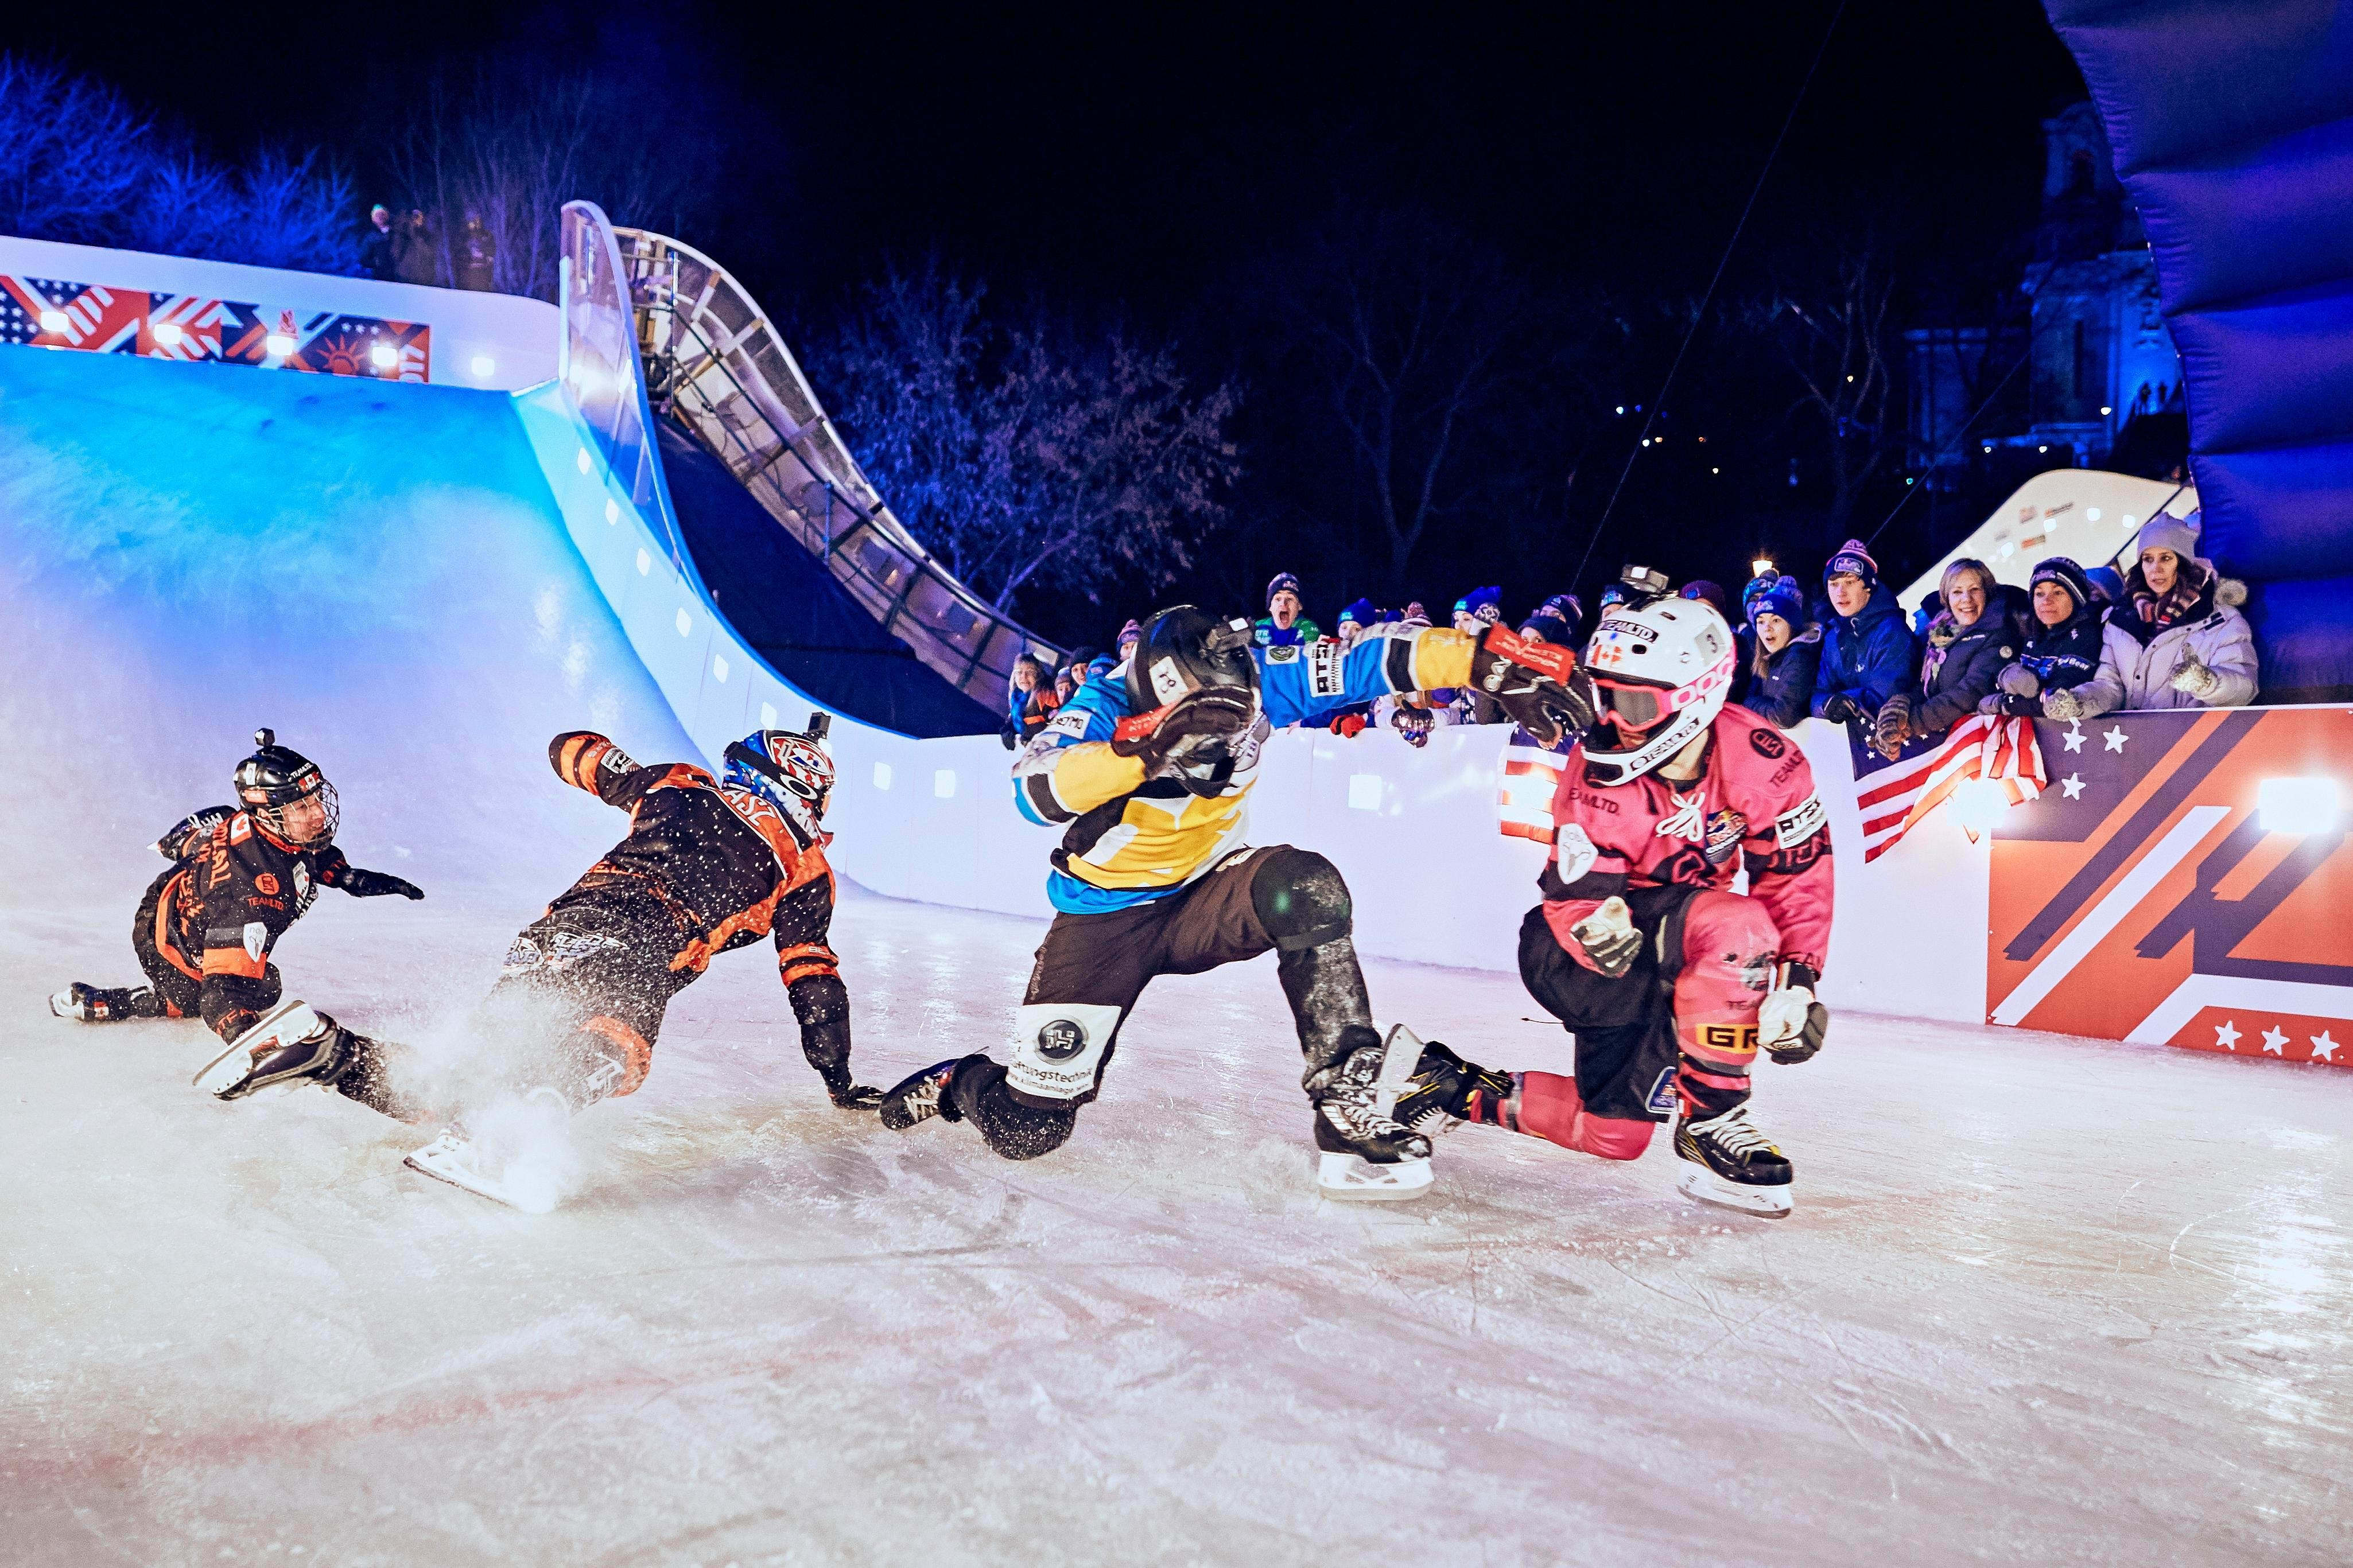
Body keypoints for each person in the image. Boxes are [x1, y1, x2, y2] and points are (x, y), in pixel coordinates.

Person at [876, 603, 1593, 1200]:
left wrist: (1487, 663)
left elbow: (1375, 657)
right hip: (1103, 919)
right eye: (1209, 722)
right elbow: (1033, 788)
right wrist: (1145, 752)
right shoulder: (1103, 705)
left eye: (1235, 714)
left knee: (1305, 885)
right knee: (1028, 1131)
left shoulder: (1256, 680)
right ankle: (960, 1082)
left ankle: (1348, 1090)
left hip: (1203, 894)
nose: (1229, 731)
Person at [1392, 577, 1832, 1217]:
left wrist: (1797, 981)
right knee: (1734, 926)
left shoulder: (1768, 762)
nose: (1612, 719)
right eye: (1605, 694)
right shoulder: (1595, 768)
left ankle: (1444, 1084)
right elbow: (1573, 896)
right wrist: (1597, 926)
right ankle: (1712, 1120)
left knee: (1613, 1136)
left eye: (1631, 703)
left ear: (1695, 698)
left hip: (1678, 951)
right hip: (1578, 951)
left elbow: (1798, 875)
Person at [397, 721, 876, 1205]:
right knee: (619, 1049)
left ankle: (397, 1086)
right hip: (648, 941)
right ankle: (514, 1127)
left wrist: (598, 759)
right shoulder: (804, 865)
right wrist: (838, 1079)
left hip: (563, 923)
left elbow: (571, 750)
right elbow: (814, 982)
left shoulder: (681, 783)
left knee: (506, 1035)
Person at [52, 730, 425, 1115]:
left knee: (262, 982)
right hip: (167, 939)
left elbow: (302, 853)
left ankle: (137, 999)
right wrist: (252, 1040)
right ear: (266, 815)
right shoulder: (252, 896)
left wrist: (349, 876)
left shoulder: (273, 831)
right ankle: (116, 1001)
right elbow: (221, 992)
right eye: (301, 807)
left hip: (183, 893)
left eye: (315, 798)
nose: (317, 813)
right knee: (236, 990)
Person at [2075, 512, 2257, 715]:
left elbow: (2245, 690)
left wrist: (2206, 682)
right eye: (2148, 559)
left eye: (2166, 558)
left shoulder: (2222, 620)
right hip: (2130, 740)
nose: (2156, 569)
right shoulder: (2118, 620)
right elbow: (2110, 686)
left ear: (2184, 563)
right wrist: (2081, 701)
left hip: (2192, 740)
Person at [1872, 558, 2015, 757]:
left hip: (1981, 748)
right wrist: (1901, 704)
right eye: (1957, 592)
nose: (1966, 599)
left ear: (1987, 593)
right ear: (1946, 598)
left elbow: (1971, 691)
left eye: (1975, 590)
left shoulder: (1998, 633)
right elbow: (1927, 685)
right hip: (1948, 743)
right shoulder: (1943, 633)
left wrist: (1913, 723)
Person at [1811, 539, 1915, 730]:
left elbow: (1886, 695)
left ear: (1868, 587)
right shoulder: (1833, 637)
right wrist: (1826, 706)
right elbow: (1818, 692)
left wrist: (1848, 700)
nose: (1840, 593)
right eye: (1833, 584)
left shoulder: (1892, 632)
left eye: (1849, 582)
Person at [1984, 557, 2106, 719]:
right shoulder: (2033, 631)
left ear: (2076, 598)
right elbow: (1998, 677)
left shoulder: (2086, 634)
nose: (2047, 601)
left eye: (2058, 592)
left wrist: (2003, 704)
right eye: (2039, 593)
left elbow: (2057, 700)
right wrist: (2005, 676)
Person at [1739, 574, 1820, 730]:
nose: (1767, 628)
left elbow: (1783, 716)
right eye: (1761, 621)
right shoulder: (1769, 657)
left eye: (1776, 620)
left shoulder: (1800, 656)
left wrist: (1748, 703)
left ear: (1791, 625)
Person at [1255, 573, 1321, 647]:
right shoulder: (1258, 627)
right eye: (1278, 599)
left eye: (1290, 599)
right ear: (1270, 607)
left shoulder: (1308, 628)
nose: (1283, 604)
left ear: (1299, 606)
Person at [1003, 654, 1048, 749]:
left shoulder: (1045, 698)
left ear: (1038, 676)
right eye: (1019, 672)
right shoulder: (1015, 698)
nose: (1024, 677)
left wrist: (1027, 738)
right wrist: (1008, 728)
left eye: (1030, 672)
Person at [359, 204, 397, 282]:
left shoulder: (397, 234)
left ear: (387, 216)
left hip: (398, 275)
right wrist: (376, 263)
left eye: (382, 214)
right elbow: (364, 259)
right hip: (380, 277)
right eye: (377, 215)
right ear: (374, 219)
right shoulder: (371, 237)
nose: (380, 217)